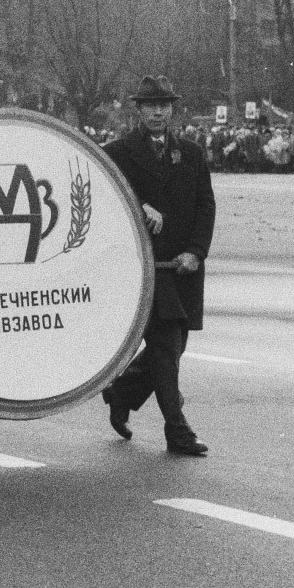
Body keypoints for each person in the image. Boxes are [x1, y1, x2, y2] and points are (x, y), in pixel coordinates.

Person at [100, 76, 215, 456]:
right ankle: (176, 430)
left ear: (172, 109)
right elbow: (102, 199)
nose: (157, 112)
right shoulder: (117, 153)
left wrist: (196, 252)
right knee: (166, 346)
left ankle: (122, 392)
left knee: (175, 346)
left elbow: (205, 206)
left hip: (183, 267)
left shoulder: (191, 153)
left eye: (164, 105)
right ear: (138, 109)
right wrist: (137, 206)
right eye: (150, 105)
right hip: (146, 267)